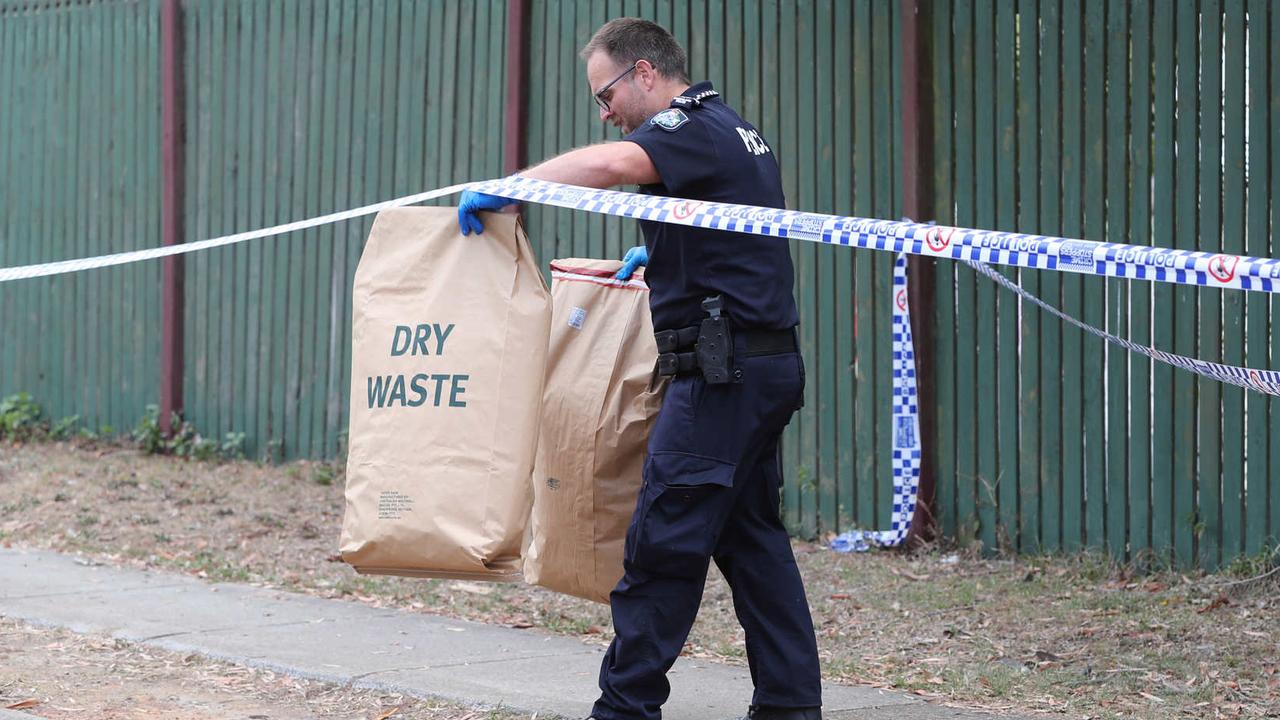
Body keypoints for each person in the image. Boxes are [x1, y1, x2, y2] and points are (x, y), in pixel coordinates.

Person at [457, 18, 822, 720]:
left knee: (662, 545)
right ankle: (789, 706)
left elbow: (611, 166)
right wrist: (658, 263)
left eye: (607, 95)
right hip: (758, 367)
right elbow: (725, 239)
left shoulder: (691, 127)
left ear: (646, 73)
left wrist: (514, 187)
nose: (606, 114)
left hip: (722, 377)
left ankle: (623, 710)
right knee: (752, 546)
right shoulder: (735, 131)